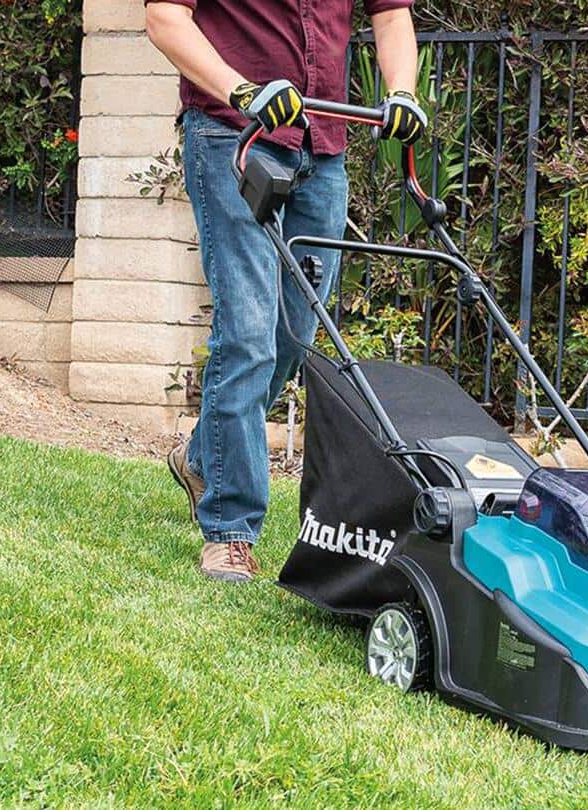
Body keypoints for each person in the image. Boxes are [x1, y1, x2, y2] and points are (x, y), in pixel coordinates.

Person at [145, 0, 426, 582]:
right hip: (234, 135)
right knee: (247, 331)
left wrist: (402, 91)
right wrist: (241, 89)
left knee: (294, 336)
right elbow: (166, 20)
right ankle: (230, 529)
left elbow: (393, 17)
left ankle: (204, 456)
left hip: (322, 148)